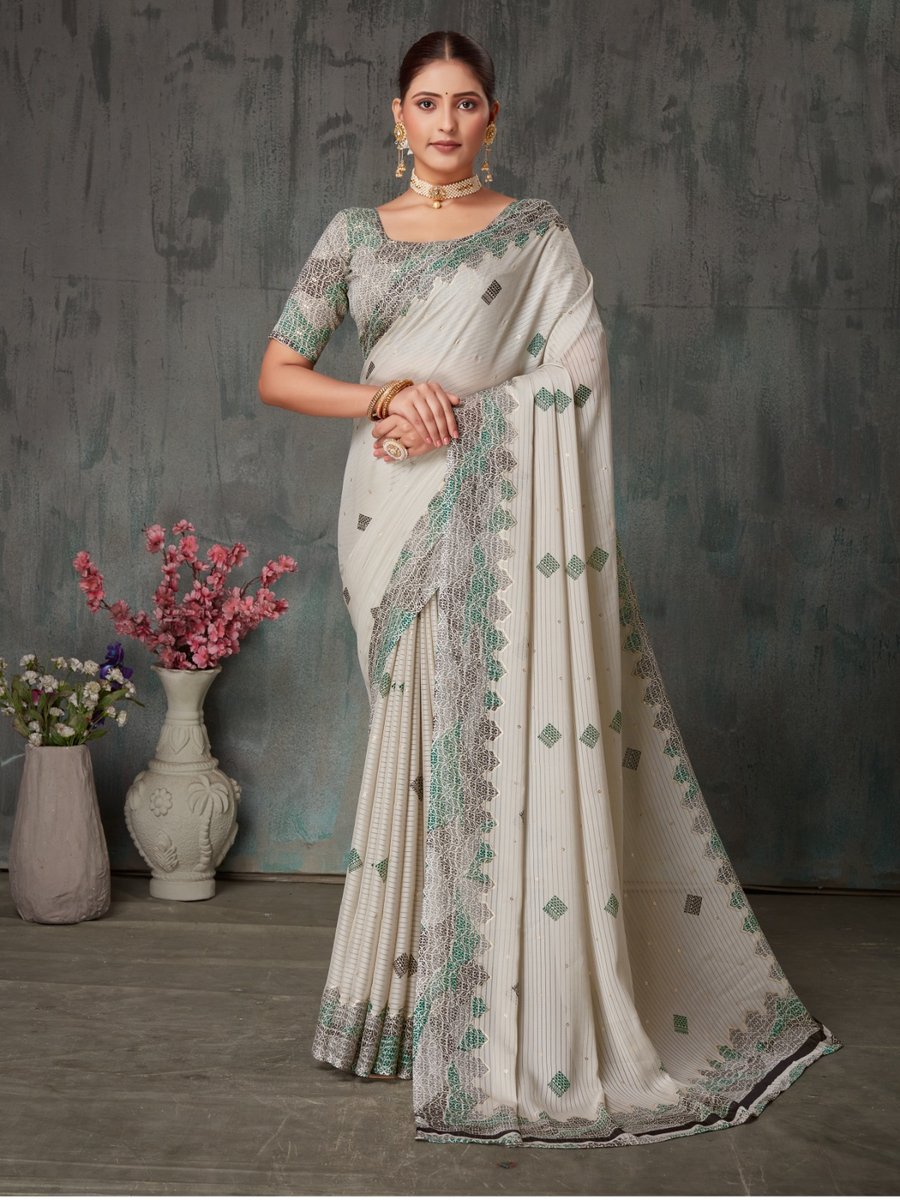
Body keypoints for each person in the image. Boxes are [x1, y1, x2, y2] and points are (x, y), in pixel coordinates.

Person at [258, 29, 842, 1149]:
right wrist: (383, 400)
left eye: (466, 103)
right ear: (396, 117)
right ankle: (392, 1011)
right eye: (427, 102)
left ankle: (485, 1017)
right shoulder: (352, 237)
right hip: (389, 512)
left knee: (481, 743)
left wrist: (470, 417)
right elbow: (280, 371)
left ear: (494, 117)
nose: (446, 122)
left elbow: (578, 370)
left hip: (496, 504)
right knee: (412, 744)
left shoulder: (534, 234)